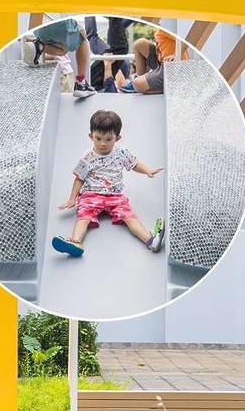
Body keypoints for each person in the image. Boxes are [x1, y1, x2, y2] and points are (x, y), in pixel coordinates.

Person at [51, 110, 165, 257]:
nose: (103, 143)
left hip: (115, 196)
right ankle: (75, 242)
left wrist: (147, 170)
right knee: (83, 216)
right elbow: (79, 178)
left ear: (117, 138)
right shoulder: (87, 157)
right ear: (91, 136)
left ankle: (150, 241)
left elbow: (134, 164)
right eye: (98, 138)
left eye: (108, 139)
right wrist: (72, 198)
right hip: (91, 195)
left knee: (129, 217)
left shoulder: (121, 152)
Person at [28, 18, 96, 98]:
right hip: (65, 72)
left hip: (39, 31)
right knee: (83, 38)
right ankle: (81, 82)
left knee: (63, 51)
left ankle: (39, 46)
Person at [120, 28, 188, 95]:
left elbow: (186, 40)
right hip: (161, 62)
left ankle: (170, 86)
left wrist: (176, 55)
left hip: (172, 67)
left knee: (137, 84)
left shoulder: (169, 26)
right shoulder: (161, 27)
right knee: (139, 44)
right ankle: (139, 77)